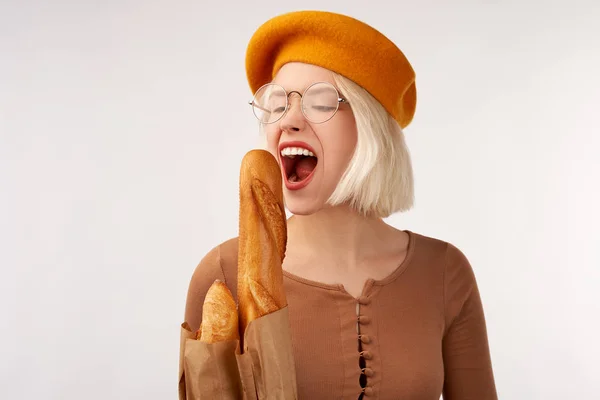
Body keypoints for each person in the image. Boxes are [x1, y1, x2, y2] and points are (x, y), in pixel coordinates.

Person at [184, 10, 498, 400]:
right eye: (278, 103)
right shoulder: (223, 278)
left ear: (371, 130)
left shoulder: (445, 273)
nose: (289, 120)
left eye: (320, 102)